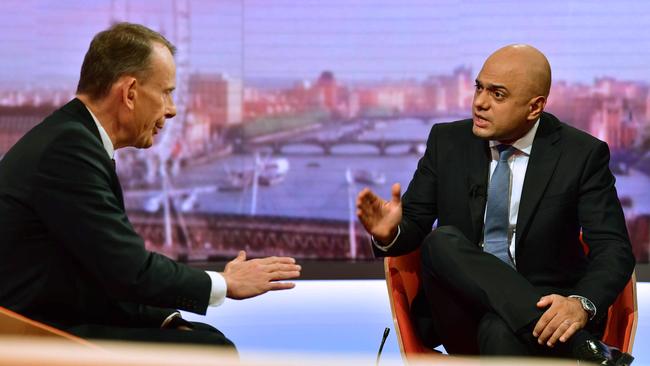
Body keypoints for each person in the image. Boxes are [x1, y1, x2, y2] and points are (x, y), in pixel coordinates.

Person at [0, 23, 301, 348]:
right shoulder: (69, 147)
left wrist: (164, 319)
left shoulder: (71, 136)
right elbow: (128, 270)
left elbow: (99, 268)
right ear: (129, 92)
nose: (172, 110)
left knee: (203, 340)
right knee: (210, 350)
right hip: (36, 334)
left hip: (52, 318)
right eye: (166, 92)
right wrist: (225, 284)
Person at [357, 44, 635, 365]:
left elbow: (613, 248)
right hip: (459, 311)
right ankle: (579, 345)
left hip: (549, 313)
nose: (479, 102)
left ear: (534, 107)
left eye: (497, 95)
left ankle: (558, 333)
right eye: (479, 87)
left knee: (500, 328)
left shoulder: (581, 154)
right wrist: (389, 234)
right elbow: (415, 225)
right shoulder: (447, 142)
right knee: (441, 241)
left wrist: (580, 304)